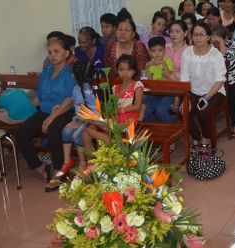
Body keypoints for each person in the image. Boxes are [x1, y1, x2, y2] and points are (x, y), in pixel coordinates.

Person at [15, 36, 77, 192]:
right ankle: (39, 166)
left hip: (64, 111)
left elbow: (70, 100)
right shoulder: (46, 72)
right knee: (21, 134)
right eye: (50, 52)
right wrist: (24, 109)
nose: (53, 55)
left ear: (66, 53)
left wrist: (51, 118)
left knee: (54, 131)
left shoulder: (70, 73)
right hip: (45, 110)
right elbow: (40, 98)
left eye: (56, 51)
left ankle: (58, 171)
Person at [181, 23, 227, 151]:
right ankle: (196, 136)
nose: (198, 37)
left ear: (209, 37)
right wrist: (186, 98)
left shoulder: (216, 54)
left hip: (215, 91)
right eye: (195, 34)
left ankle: (206, 137)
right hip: (193, 90)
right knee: (183, 111)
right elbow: (184, 78)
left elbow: (220, 80)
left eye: (202, 34)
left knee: (202, 111)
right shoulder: (187, 52)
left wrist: (206, 97)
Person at [84, 55, 144, 150]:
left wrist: (120, 111)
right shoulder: (115, 88)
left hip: (128, 121)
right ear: (117, 70)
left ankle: (114, 146)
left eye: (128, 70)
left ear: (134, 71)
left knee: (89, 131)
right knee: (87, 132)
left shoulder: (137, 85)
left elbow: (137, 106)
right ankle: (96, 156)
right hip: (116, 118)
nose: (125, 73)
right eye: (121, 69)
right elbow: (115, 106)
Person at [56, 59, 97, 178]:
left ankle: (83, 163)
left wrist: (78, 124)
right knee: (66, 131)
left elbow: (83, 109)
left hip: (90, 118)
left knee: (77, 135)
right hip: (83, 116)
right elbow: (78, 105)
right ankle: (67, 161)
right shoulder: (85, 86)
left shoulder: (78, 90)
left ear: (73, 74)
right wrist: (59, 106)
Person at [211, 25, 235, 139]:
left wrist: (221, 43)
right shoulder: (211, 47)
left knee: (230, 96)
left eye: (218, 41)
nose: (215, 44)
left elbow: (225, 58)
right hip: (219, 80)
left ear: (225, 38)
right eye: (214, 41)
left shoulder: (234, 45)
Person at [142, 37, 177, 124]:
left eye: (160, 50)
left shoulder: (168, 62)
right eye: (154, 51)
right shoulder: (149, 64)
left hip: (169, 92)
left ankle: (170, 129)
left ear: (164, 51)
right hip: (156, 93)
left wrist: (163, 63)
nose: (157, 53)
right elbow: (150, 81)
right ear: (150, 52)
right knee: (146, 113)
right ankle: (156, 126)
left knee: (160, 110)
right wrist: (147, 68)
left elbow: (169, 77)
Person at [165, 20, 190, 112]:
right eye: (171, 31)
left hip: (178, 88)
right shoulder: (164, 47)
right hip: (162, 84)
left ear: (185, 33)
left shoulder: (189, 51)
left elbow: (188, 75)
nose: (174, 34)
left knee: (160, 110)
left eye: (177, 31)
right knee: (145, 109)